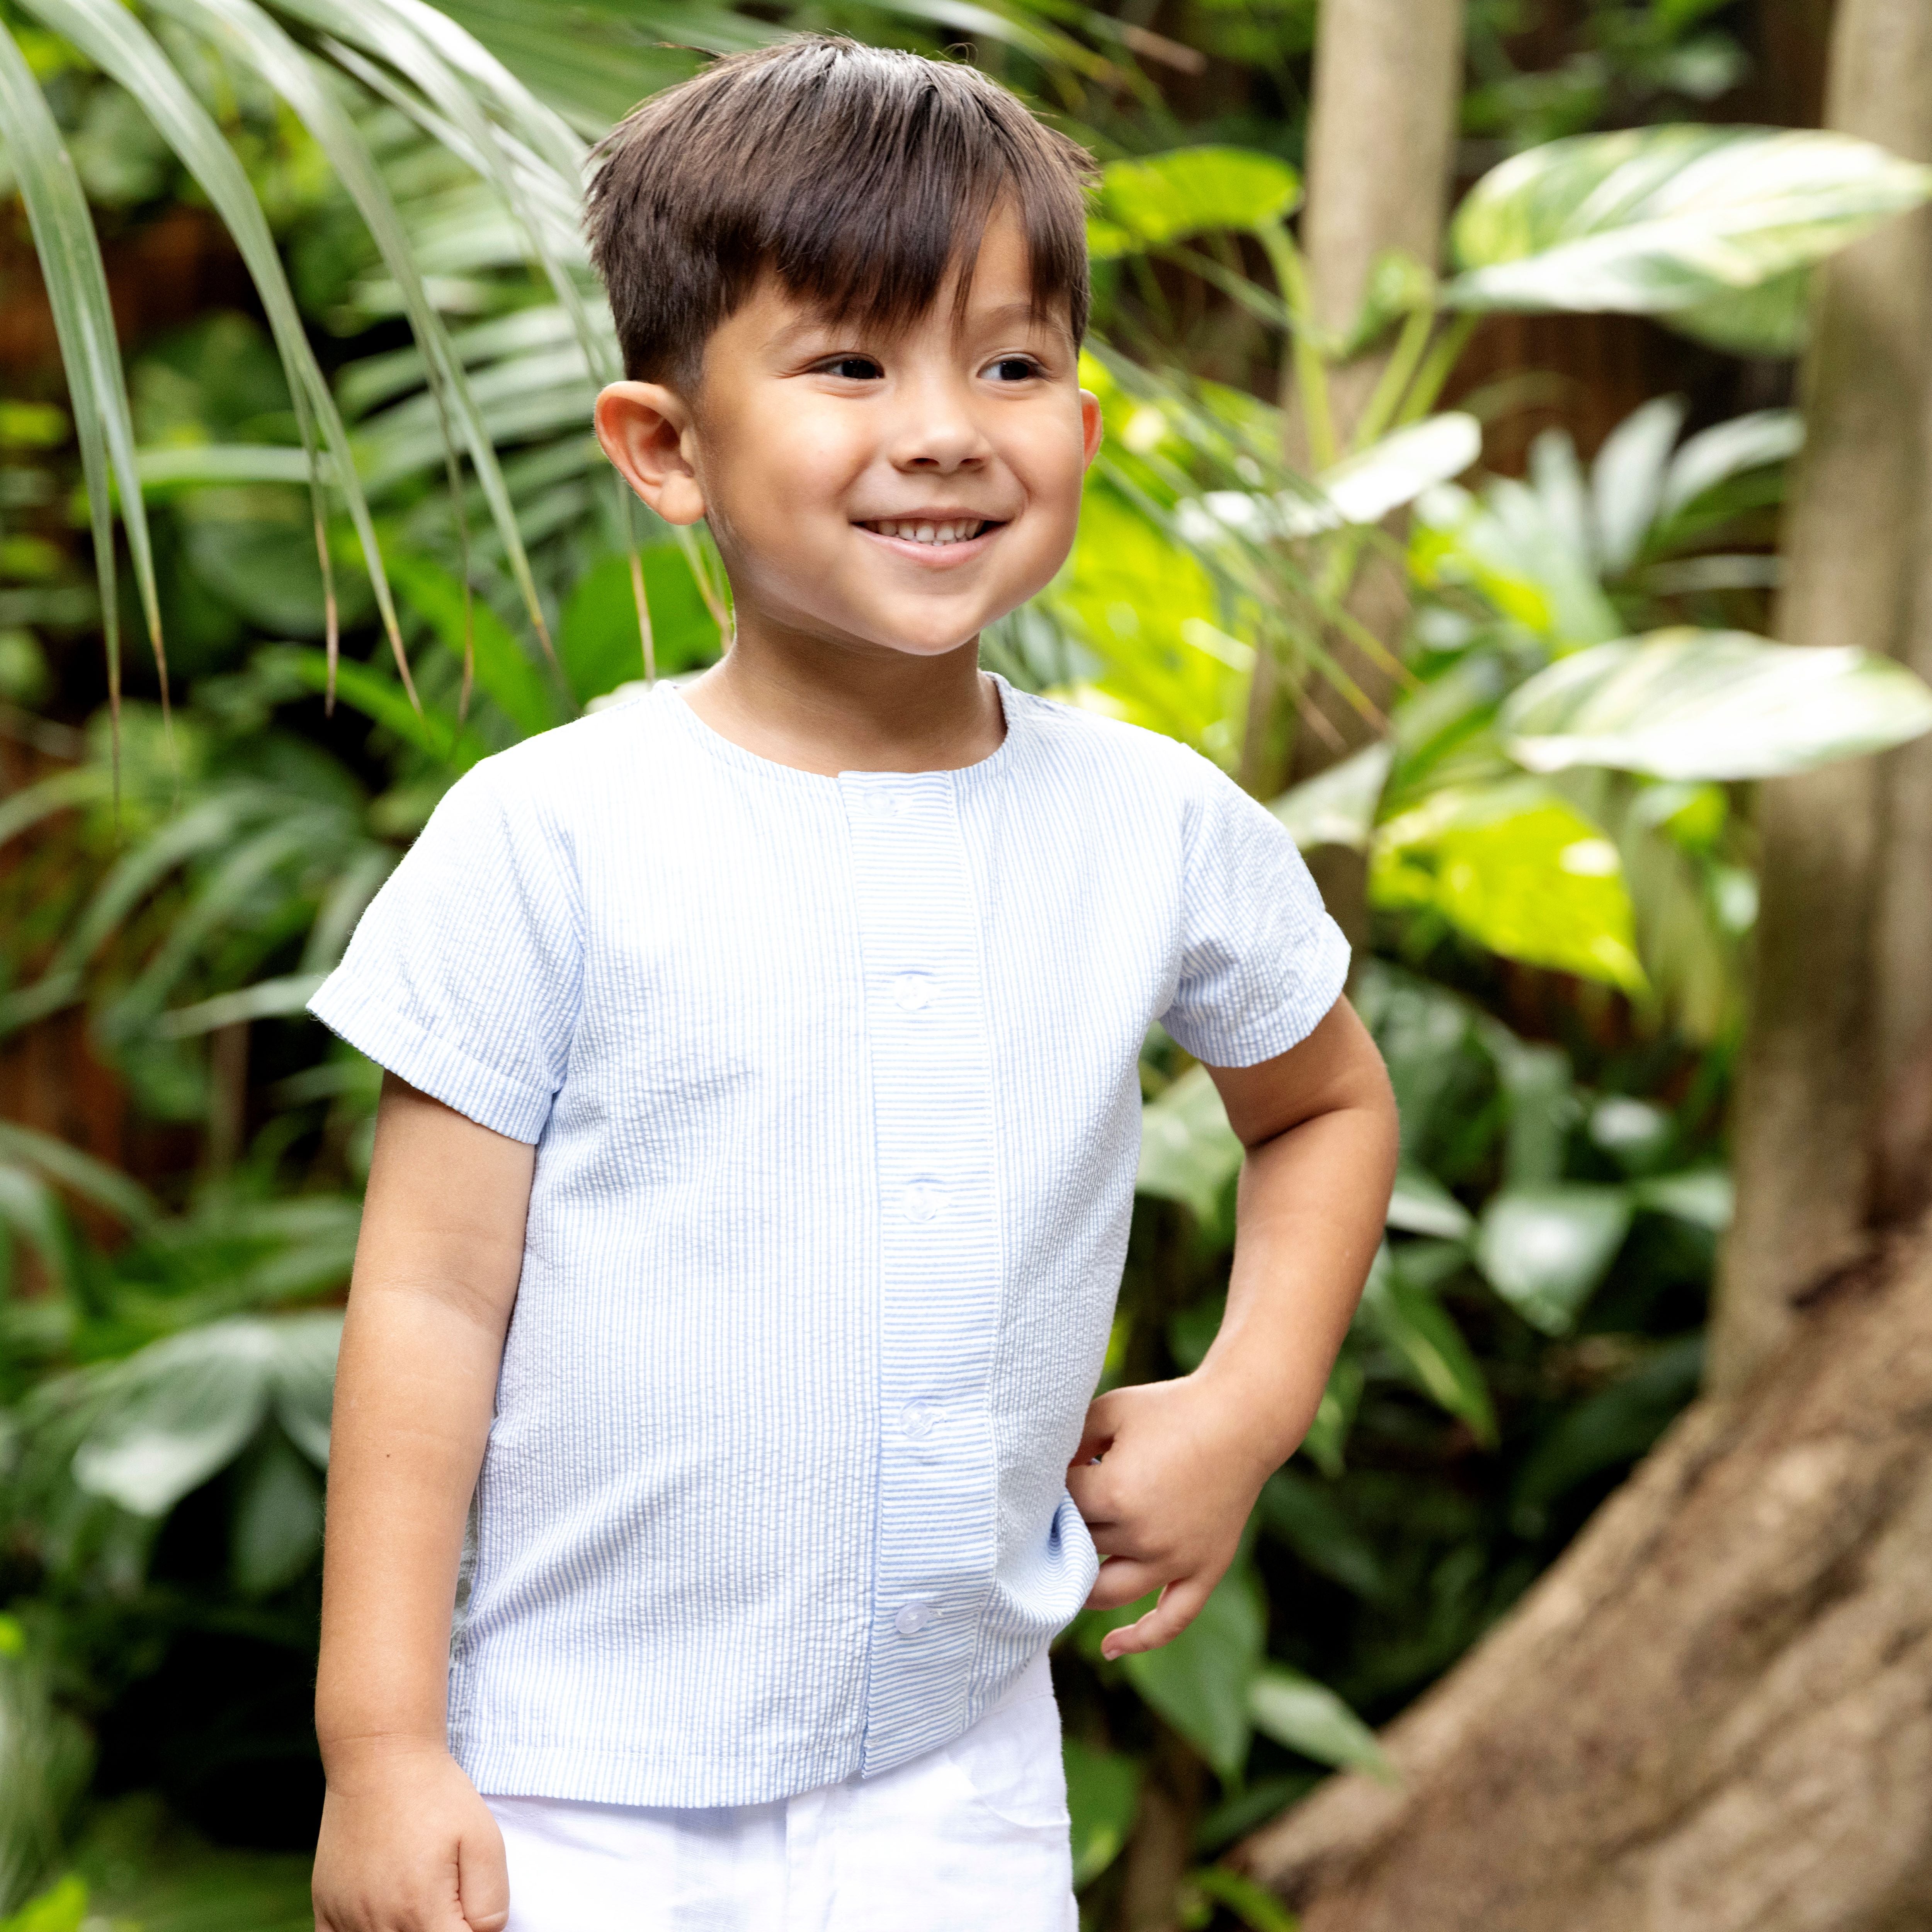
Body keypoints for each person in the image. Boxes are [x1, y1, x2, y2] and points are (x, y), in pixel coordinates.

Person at [305, 35, 1398, 1932]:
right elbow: (423, 1301)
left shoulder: (1152, 823)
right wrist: (384, 1749)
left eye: (1009, 360)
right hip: (565, 1780)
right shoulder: (549, 835)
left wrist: (1247, 1399)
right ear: (665, 446)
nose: (945, 425)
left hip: (950, 1774)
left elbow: (1322, 1101)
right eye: (846, 363)